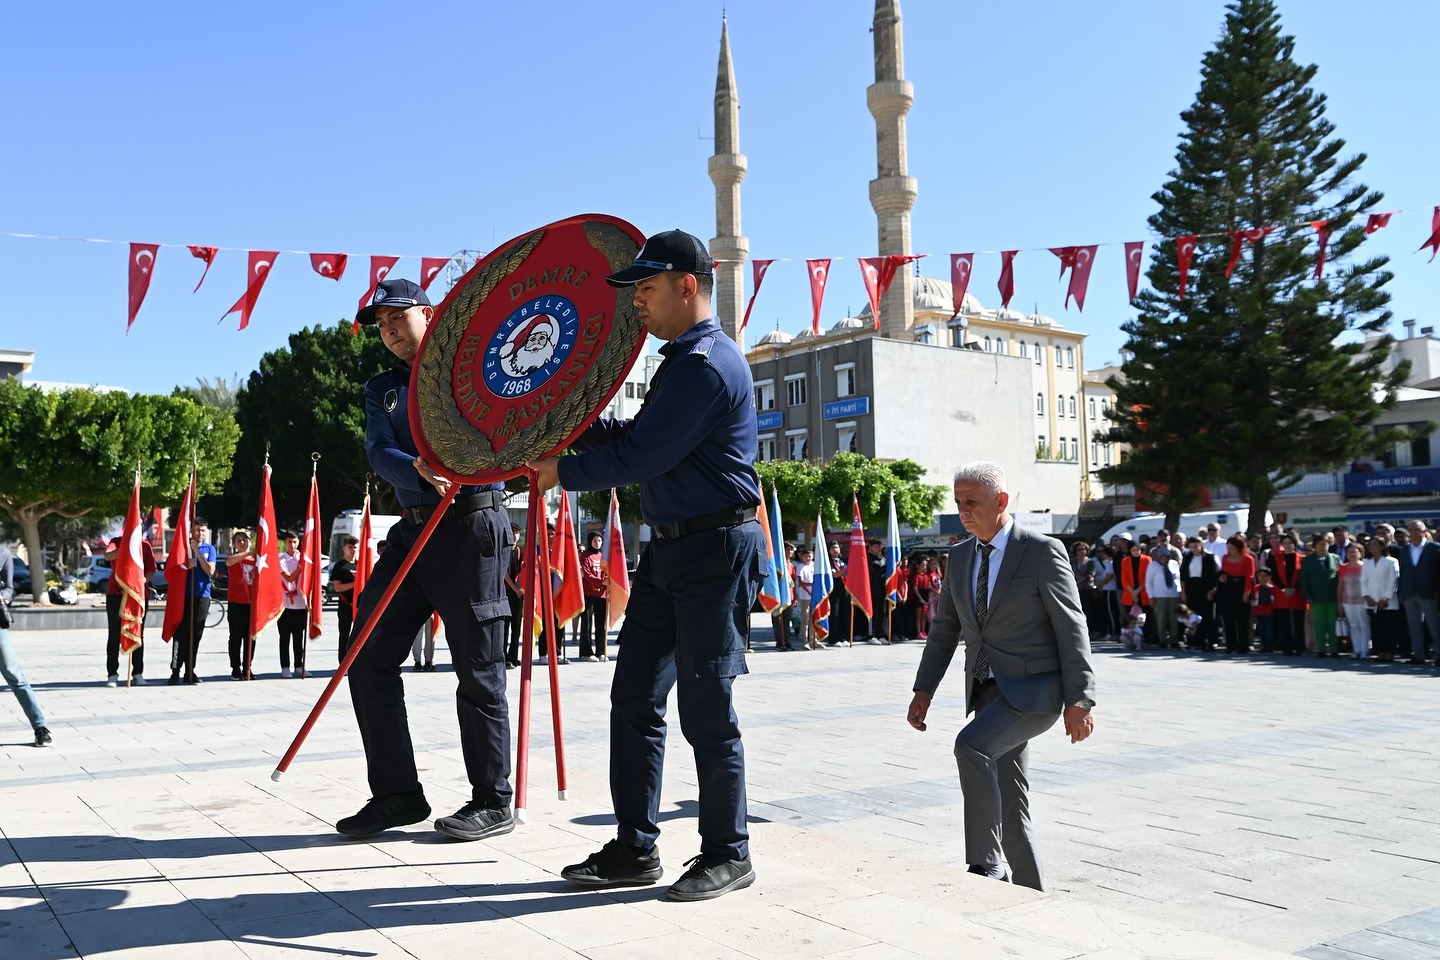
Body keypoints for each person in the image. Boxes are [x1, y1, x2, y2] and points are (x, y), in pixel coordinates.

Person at [528, 229, 764, 902]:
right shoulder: (681, 362)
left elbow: (643, 457)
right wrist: (565, 424)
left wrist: (562, 470)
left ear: (687, 286)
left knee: (706, 707)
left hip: (715, 551)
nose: (636, 301)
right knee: (634, 697)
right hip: (670, 550)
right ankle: (635, 847)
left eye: (647, 287)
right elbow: (635, 436)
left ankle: (728, 852)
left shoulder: (707, 365)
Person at [338, 277, 515, 844]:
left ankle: (492, 799)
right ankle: (397, 794)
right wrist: (414, 468)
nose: (389, 330)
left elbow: (512, 424)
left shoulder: (476, 369)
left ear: (429, 314)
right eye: (381, 324)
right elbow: (378, 449)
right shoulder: (381, 389)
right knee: (365, 654)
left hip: (470, 525)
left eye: (398, 316)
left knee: (478, 668)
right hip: (412, 529)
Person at [907, 462, 1096, 892]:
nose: (963, 511)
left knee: (971, 746)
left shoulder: (1041, 550)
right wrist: (924, 689)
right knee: (1011, 800)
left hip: (1034, 694)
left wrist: (1080, 700)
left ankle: (985, 864)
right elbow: (944, 629)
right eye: (958, 502)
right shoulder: (959, 557)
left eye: (972, 502)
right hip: (987, 693)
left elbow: (1072, 627)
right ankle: (1032, 893)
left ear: (1001, 501)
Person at [0, 544, 51, 746]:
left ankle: (40, 727)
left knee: (14, 674)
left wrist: (3, 596)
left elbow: (9, 588)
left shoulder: (3, 553)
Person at [102, 530, 156, 685]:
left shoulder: (145, 546)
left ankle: (137, 673)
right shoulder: (116, 542)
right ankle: (112, 674)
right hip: (115, 594)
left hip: (137, 596)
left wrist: (138, 583)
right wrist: (126, 547)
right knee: (114, 634)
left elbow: (151, 570)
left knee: (138, 633)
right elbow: (108, 556)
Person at [169, 520, 217, 685]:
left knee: (196, 634)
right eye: (197, 530)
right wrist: (185, 564)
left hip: (202, 596)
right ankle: (175, 670)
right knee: (181, 634)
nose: (200, 534)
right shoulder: (183, 547)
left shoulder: (209, 549)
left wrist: (197, 553)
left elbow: (210, 570)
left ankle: (190, 670)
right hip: (183, 596)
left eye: (203, 531)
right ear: (191, 530)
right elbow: (173, 569)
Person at [1397, 520, 1439, 664]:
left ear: (1424, 531)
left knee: (1434, 625)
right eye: (1411, 530)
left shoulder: (1434, 548)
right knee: (1414, 626)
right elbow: (1403, 572)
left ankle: (1438, 654)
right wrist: (1401, 591)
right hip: (1409, 592)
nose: (1413, 532)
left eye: (1416, 529)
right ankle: (1419, 654)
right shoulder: (1405, 550)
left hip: (1428, 592)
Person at [1362, 536, 1403, 661]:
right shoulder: (1366, 562)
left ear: (1382, 546)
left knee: (1388, 628)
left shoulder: (1391, 561)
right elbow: (1363, 581)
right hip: (1371, 600)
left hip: (1387, 601)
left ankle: (1389, 652)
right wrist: (1366, 596)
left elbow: (1393, 581)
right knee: (1377, 627)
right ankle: (1380, 651)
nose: (1372, 547)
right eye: (1371, 545)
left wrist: (1386, 598)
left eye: (1375, 544)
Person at [224, 531, 258, 679]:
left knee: (251, 637)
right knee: (235, 637)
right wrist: (248, 553)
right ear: (235, 544)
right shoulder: (234, 558)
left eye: (245, 540)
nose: (242, 543)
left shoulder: (257, 560)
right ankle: (235, 667)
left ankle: (247, 667)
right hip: (236, 603)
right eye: (239, 541)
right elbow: (229, 562)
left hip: (252, 603)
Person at [1301, 533, 1340, 657]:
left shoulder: (1335, 558)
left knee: (1332, 623)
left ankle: (1334, 649)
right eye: (1320, 544)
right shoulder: (1308, 560)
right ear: (1315, 546)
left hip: (1333, 596)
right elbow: (1304, 580)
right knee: (1319, 623)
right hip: (1316, 597)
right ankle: (1321, 649)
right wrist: (1308, 596)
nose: (1323, 547)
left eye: (1325, 544)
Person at [1179, 537, 1219, 651]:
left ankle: (1211, 641)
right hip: (1191, 588)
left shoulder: (1210, 557)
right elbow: (1183, 576)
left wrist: (1212, 591)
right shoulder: (1188, 557)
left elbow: (1215, 576)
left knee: (1207, 615)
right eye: (1191, 547)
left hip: (1205, 588)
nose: (1194, 549)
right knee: (1193, 615)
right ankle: (1195, 641)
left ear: (1201, 545)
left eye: (1196, 546)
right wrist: (1183, 592)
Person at [1216, 535, 1255, 654]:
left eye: (1232, 548)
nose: (1230, 550)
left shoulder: (1248, 559)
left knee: (1243, 618)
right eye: (1228, 547)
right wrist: (1222, 577)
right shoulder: (1225, 557)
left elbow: (1250, 577)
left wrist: (1247, 592)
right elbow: (1223, 571)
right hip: (1228, 587)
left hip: (1242, 587)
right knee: (1228, 617)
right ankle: (1231, 644)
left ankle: (1244, 645)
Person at [277, 531, 307, 678]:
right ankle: (285, 666)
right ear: (285, 543)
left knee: (298, 637)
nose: (292, 545)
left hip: (300, 603)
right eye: (289, 542)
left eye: (295, 542)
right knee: (284, 637)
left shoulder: (303, 558)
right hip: (285, 604)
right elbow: (289, 578)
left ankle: (299, 665)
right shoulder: (280, 559)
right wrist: (300, 568)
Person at [1145, 539, 1181, 649]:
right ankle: (1162, 640)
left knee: (1174, 619)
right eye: (1163, 557)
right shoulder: (1153, 565)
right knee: (1161, 619)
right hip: (1159, 596)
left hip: (1173, 595)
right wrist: (1151, 597)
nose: (1165, 559)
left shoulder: (1174, 564)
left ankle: (1174, 640)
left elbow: (1178, 579)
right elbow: (1148, 582)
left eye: (1167, 557)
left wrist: (1180, 593)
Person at [578, 530, 608, 661]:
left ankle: (601, 651)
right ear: (590, 541)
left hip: (602, 594)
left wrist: (606, 582)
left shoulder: (603, 556)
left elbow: (607, 572)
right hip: (588, 593)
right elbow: (587, 574)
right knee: (587, 623)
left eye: (599, 540)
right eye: (595, 540)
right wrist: (601, 582)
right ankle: (586, 652)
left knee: (601, 624)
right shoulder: (585, 555)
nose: (597, 543)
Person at [1338, 543, 1369, 659]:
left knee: (1364, 624)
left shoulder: (1366, 566)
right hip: (1347, 600)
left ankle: (1365, 650)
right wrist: (1339, 602)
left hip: (1363, 600)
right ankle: (1357, 650)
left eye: (1355, 551)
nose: (1352, 554)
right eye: (1349, 551)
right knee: (1353, 625)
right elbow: (1340, 586)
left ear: (1361, 553)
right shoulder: (1343, 567)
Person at [330, 536, 358, 660]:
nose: (353, 550)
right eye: (350, 547)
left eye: (355, 547)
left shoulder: (361, 564)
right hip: (345, 605)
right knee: (344, 634)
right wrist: (355, 584)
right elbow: (337, 587)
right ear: (344, 549)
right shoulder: (340, 566)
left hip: (359, 606)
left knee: (360, 635)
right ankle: (343, 661)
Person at [504, 523, 525, 668]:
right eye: (512, 532)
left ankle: (514, 656)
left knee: (516, 626)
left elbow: (523, 569)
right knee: (504, 626)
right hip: (505, 591)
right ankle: (504, 656)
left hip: (517, 593)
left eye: (517, 533)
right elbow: (504, 574)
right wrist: (515, 589)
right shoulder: (503, 550)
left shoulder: (519, 550)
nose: (515, 535)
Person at [866, 538, 888, 643]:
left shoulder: (883, 559)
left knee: (882, 613)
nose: (878, 549)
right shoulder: (868, 560)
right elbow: (874, 574)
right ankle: (872, 635)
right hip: (873, 590)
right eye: (875, 547)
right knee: (873, 613)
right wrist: (886, 567)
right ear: (870, 548)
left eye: (879, 547)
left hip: (883, 590)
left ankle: (881, 634)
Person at [794, 547, 816, 650]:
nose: (808, 558)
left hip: (814, 596)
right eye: (805, 556)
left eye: (809, 556)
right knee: (805, 619)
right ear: (801, 557)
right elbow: (801, 583)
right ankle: (804, 640)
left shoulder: (814, 565)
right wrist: (810, 587)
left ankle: (813, 639)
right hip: (805, 596)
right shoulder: (800, 567)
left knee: (813, 618)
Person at [1251, 568, 1276, 654]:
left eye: (1265, 576)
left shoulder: (1272, 588)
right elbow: (1254, 598)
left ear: (1269, 577)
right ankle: (1264, 646)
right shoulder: (1256, 588)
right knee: (1261, 630)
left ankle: (1269, 646)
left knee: (1269, 630)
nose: (1263, 578)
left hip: (1269, 612)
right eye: (1260, 576)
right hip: (1259, 612)